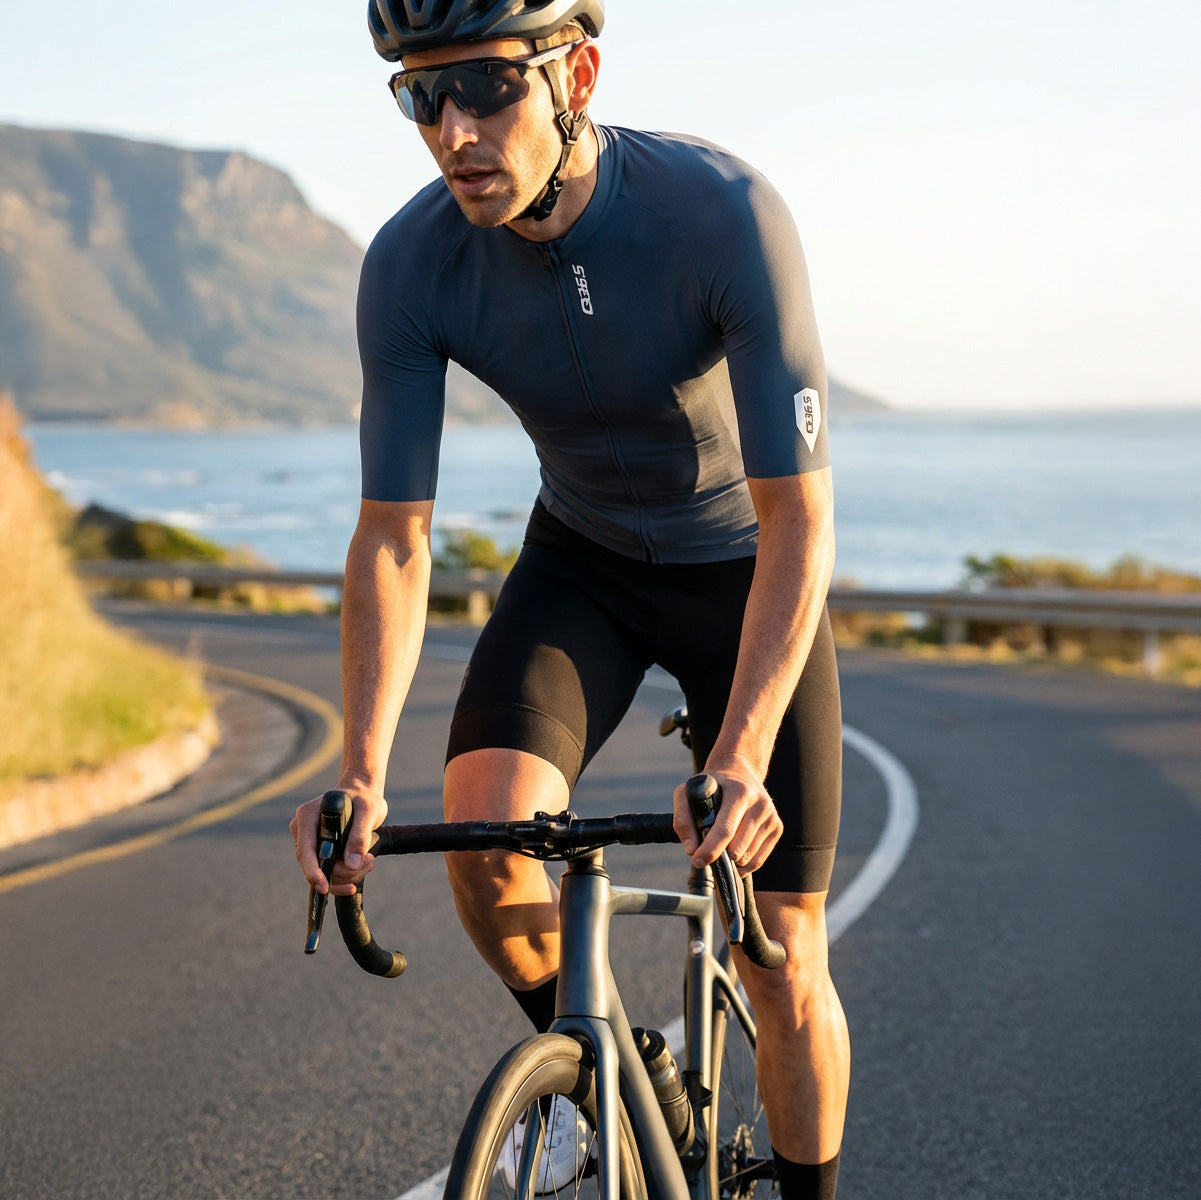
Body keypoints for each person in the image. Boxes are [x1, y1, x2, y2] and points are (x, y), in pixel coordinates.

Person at [291, 2, 849, 1196]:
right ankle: (606, 1075)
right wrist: (356, 772)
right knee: (486, 841)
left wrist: (741, 755)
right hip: (583, 563)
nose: (453, 132)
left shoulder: (721, 214)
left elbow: (800, 516)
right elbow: (394, 538)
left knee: (783, 951)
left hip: (745, 570)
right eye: (419, 100)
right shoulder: (408, 265)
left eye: (486, 89)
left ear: (575, 73)